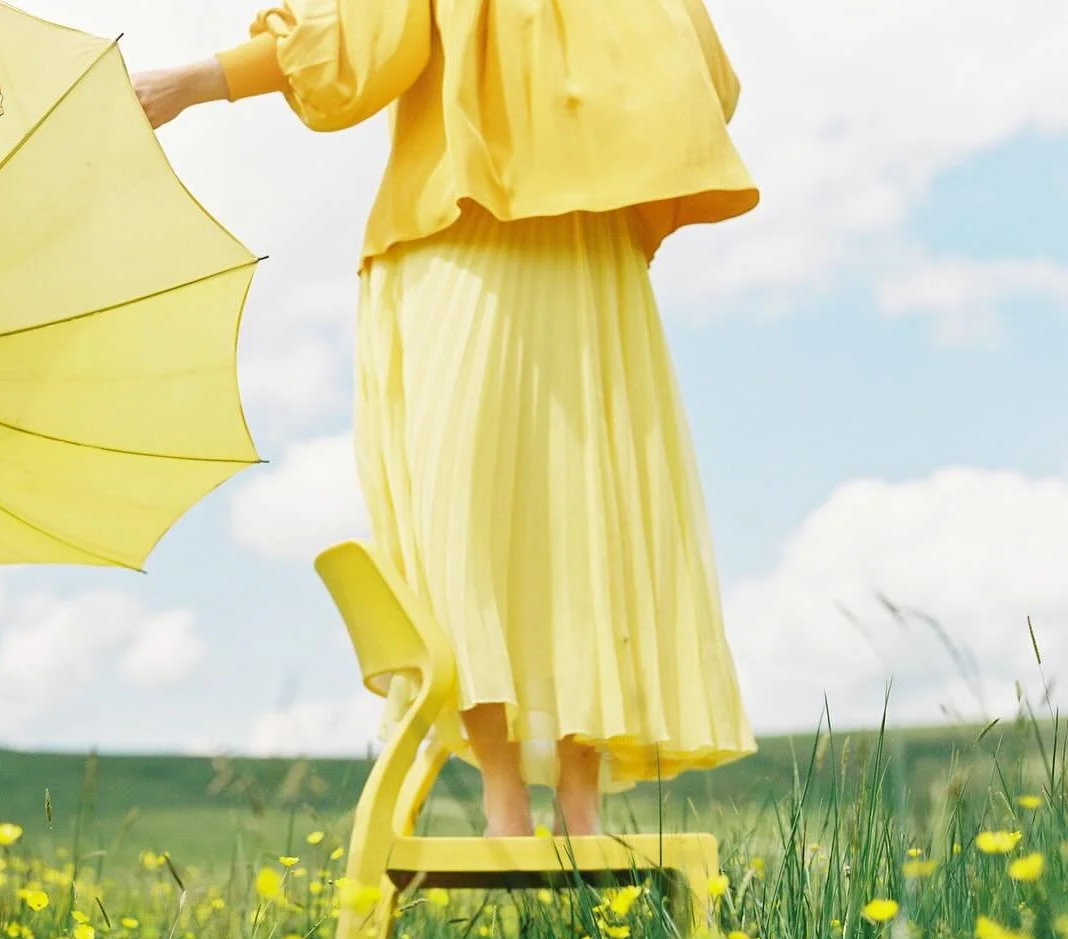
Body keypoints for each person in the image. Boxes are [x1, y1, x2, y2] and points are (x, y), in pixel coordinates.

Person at [133, 0, 759, 837]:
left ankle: (507, 800)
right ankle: (578, 803)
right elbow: (706, 83)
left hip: (461, 233)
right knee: (591, 509)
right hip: (591, 251)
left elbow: (363, 45)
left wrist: (197, 81)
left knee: (466, 518)